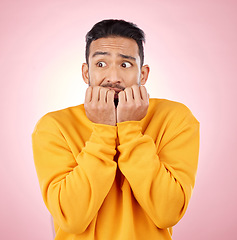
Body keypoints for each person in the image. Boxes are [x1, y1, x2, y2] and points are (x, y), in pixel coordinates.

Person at [32, 19, 199, 240]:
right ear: (85, 73)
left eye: (125, 64)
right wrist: (103, 130)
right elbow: (71, 218)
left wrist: (130, 129)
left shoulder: (175, 118)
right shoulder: (54, 126)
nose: (113, 77)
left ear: (143, 75)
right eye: (101, 64)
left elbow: (167, 213)